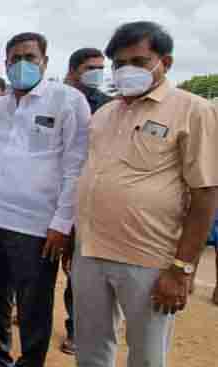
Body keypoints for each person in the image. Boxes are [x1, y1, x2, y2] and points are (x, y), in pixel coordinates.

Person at [73, 21, 218, 367]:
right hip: (90, 252)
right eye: (120, 63)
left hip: (149, 260)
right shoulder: (106, 113)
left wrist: (182, 269)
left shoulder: (193, 110)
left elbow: (205, 193)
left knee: (147, 356)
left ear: (164, 64)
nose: (127, 71)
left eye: (138, 62)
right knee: (90, 351)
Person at [0, 32, 90, 367]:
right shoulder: (1, 106)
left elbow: (75, 167)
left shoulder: (67, 101)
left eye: (30, 57)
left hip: (38, 226)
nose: (22, 64)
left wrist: (62, 223)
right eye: (14, 59)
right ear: (5, 64)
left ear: (45, 62)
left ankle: (30, 363)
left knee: (33, 304)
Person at [58, 47, 113, 356]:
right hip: (48, 198)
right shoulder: (55, 99)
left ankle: (75, 329)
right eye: (91, 67)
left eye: (100, 67)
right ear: (73, 70)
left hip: (86, 201)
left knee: (77, 270)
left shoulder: (108, 107)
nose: (98, 72)